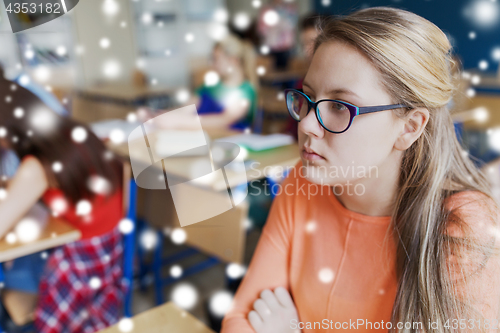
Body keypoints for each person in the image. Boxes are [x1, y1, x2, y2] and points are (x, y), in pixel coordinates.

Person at [221, 7, 500, 333]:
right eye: (308, 98)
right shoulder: (303, 180)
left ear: (409, 127)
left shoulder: (463, 225)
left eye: (340, 106)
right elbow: (239, 319)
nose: (307, 124)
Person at [0, 73, 126, 332]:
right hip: (109, 252)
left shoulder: (35, 167)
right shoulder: (70, 132)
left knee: (13, 270)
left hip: (80, 264)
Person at [138, 33, 258, 132]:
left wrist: (179, 121)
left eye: (216, 59)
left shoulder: (245, 91)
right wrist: (157, 116)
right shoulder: (209, 88)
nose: (212, 64)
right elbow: (186, 109)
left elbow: (224, 120)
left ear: (233, 60)